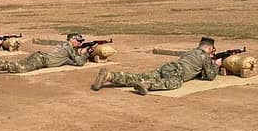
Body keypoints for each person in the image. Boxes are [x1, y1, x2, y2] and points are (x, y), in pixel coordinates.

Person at [91, 36, 221, 95]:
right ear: (210, 48)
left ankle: (110, 76)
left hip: (168, 66)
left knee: (140, 76)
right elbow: (209, 76)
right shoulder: (204, 56)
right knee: (173, 84)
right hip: (178, 72)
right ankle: (147, 85)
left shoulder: (191, 51)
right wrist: (216, 64)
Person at [0, 33, 88, 74]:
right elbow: (79, 63)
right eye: (78, 41)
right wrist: (84, 53)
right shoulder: (69, 47)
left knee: (14, 64)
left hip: (40, 57)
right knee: (19, 68)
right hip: (41, 60)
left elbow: (68, 60)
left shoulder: (66, 46)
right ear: (72, 40)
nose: (80, 43)